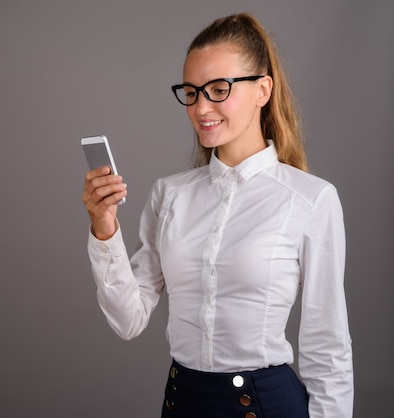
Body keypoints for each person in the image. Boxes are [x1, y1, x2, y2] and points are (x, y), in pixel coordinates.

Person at [81, 12, 353, 418]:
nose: (200, 107)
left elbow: (327, 346)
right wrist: (104, 228)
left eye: (218, 89)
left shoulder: (310, 200)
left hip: (266, 407)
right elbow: (127, 319)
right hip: (182, 404)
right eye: (191, 91)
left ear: (263, 90)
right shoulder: (169, 195)